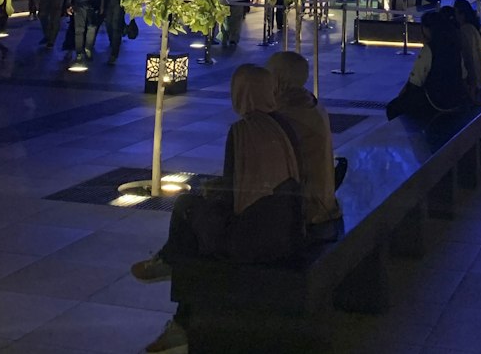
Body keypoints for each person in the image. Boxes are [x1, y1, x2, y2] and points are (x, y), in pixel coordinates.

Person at [132, 65, 304, 353]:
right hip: (287, 231)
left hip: (250, 239)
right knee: (195, 227)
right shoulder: (283, 124)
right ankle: (176, 301)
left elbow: (234, 195)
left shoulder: (244, 130)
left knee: (188, 209)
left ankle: (170, 269)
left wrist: (210, 196)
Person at [267, 50, 342, 240]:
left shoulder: (289, 115)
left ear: (278, 80)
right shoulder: (310, 104)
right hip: (321, 201)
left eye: (268, 75)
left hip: (308, 209)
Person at [386, 9, 469, 120]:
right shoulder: (454, 46)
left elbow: (415, 81)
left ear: (427, 28)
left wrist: (402, 95)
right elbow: (463, 75)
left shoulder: (429, 49)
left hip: (434, 101)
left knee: (393, 108)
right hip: (455, 100)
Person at [454, 0, 481, 105]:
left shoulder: (465, 31)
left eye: (455, 13)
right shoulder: (473, 28)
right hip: (478, 78)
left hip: (472, 81)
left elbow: (470, 58)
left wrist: (473, 83)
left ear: (462, 14)